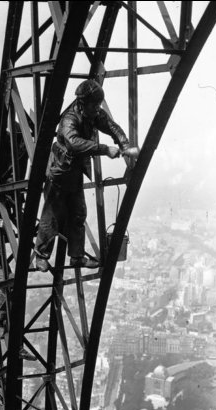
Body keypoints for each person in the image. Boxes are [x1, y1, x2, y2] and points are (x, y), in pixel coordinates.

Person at [33, 80, 140, 272]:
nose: (98, 109)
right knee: (51, 216)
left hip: (73, 173)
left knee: (78, 214)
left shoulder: (93, 113)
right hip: (59, 174)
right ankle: (40, 256)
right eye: (95, 105)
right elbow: (74, 144)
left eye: (99, 105)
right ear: (84, 103)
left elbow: (111, 126)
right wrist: (105, 149)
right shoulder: (69, 119)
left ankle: (77, 257)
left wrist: (125, 145)